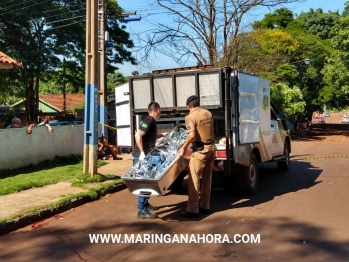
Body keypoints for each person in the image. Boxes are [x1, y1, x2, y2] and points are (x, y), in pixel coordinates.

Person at [178, 95, 216, 218]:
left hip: (200, 151)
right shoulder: (208, 113)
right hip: (211, 149)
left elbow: (192, 135)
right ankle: (205, 205)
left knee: (193, 179)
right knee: (207, 179)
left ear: (188, 106)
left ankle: (193, 209)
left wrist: (183, 147)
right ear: (198, 103)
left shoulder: (190, 117)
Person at [133, 101, 162, 219]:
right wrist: (142, 153)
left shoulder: (151, 121)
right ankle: (141, 210)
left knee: (148, 181)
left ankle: (145, 203)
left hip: (146, 156)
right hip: (142, 157)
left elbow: (146, 135)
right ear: (158, 110)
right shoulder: (149, 120)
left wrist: (160, 136)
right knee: (145, 183)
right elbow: (138, 134)